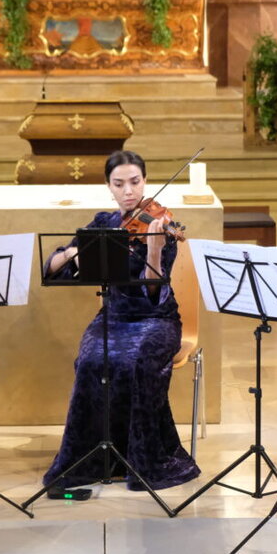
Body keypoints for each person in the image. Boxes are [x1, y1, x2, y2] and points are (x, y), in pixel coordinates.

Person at [41, 150, 200, 491]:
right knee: (89, 362)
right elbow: (54, 267)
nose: (129, 191)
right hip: (113, 314)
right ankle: (97, 457)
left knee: (136, 363)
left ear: (145, 182)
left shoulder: (161, 226)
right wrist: (72, 253)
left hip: (156, 319)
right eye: (119, 184)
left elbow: (153, 292)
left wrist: (154, 248)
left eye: (135, 182)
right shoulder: (103, 224)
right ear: (108, 187)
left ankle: (142, 457)